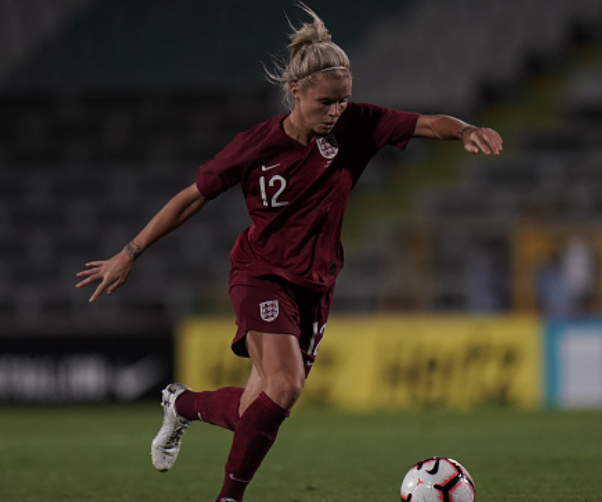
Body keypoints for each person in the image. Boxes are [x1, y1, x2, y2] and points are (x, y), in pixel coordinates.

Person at [75, 4, 503, 502]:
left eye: (344, 100)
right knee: (285, 387)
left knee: (256, 411)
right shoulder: (256, 146)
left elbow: (429, 123)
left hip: (316, 285)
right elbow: (192, 196)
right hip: (261, 274)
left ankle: (182, 403)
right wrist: (130, 251)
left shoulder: (356, 125)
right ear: (296, 93)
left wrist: (466, 130)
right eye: (326, 102)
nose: (337, 111)